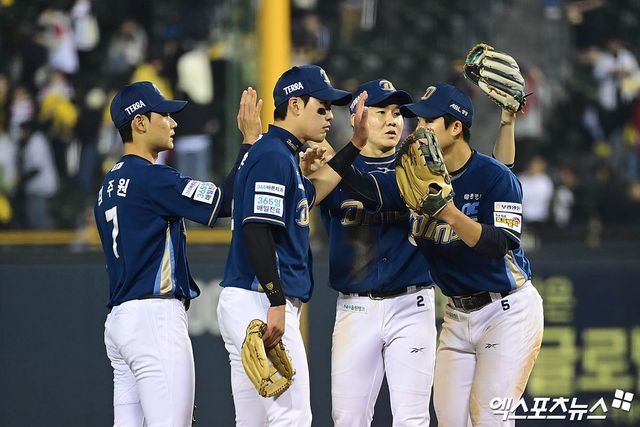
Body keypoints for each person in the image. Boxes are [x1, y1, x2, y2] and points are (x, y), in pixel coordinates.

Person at [309, 79, 520, 427]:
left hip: (412, 303)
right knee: (347, 418)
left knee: (412, 418)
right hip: (355, 306)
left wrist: (507, 124)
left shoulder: (418, 167)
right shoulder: (331, 172)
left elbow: (487, 173)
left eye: (397, 113)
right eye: (380, 112)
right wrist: (310, 170)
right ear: (356, 117)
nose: (392, 120)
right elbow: (301, 203)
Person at [94, 81, 262, 427]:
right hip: (153, 318)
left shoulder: (107, 185)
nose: (173, 123)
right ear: (140, 122)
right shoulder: (151, 178)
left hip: (120, 322)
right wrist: (249, 143)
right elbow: (224, 202)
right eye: (165, 115)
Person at [216, 64, 369, 426]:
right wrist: (275, 301)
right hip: (260, 298)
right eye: (322, 107)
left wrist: (356, 145)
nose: (329, 116)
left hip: (251, 298)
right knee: (292, 416)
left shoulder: (280, 154)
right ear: (295, 105)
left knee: (254, 421)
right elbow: (257, 231)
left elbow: (313, 193)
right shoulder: (272, 155)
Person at [400, 83, 544, 426]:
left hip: (506, 311)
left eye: (429, 121)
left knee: (490, 418)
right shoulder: (414, 178)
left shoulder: (494, 177)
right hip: (456, 315)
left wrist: (450, 214)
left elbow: (501, 243)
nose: (419, 129)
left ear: (455, 127)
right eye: (418, 122)